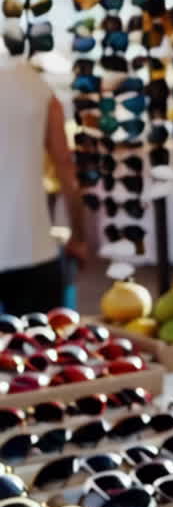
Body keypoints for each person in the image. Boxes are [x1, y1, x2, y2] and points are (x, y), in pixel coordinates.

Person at [0, 57, 88, 314]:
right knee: (39, 350)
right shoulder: (36, 86)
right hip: (32, 248)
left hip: (35, 252)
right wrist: (79, 236)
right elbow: (65, 165)